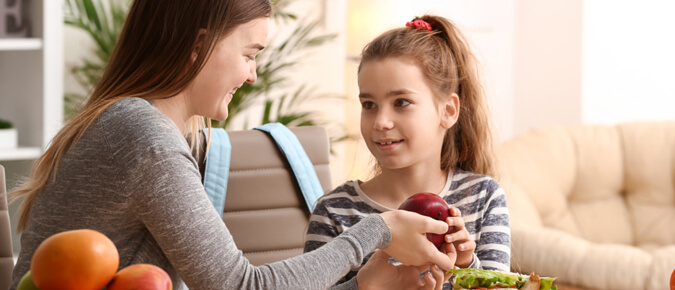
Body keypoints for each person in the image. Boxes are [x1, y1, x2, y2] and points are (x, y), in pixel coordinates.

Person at [8, 2, 456, 289]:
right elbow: (241, 288)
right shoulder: (145, 136)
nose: (253, 75)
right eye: (249, 53)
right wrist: (378, 229)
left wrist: (362, 286)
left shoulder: (144, 127)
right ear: (199, 46)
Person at [304, 15, 511, 290]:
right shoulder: (335, 210)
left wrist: (466, 266)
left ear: (448, 111)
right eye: (369, 104)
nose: (381, 122)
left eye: (401, 102)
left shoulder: (483, 198)